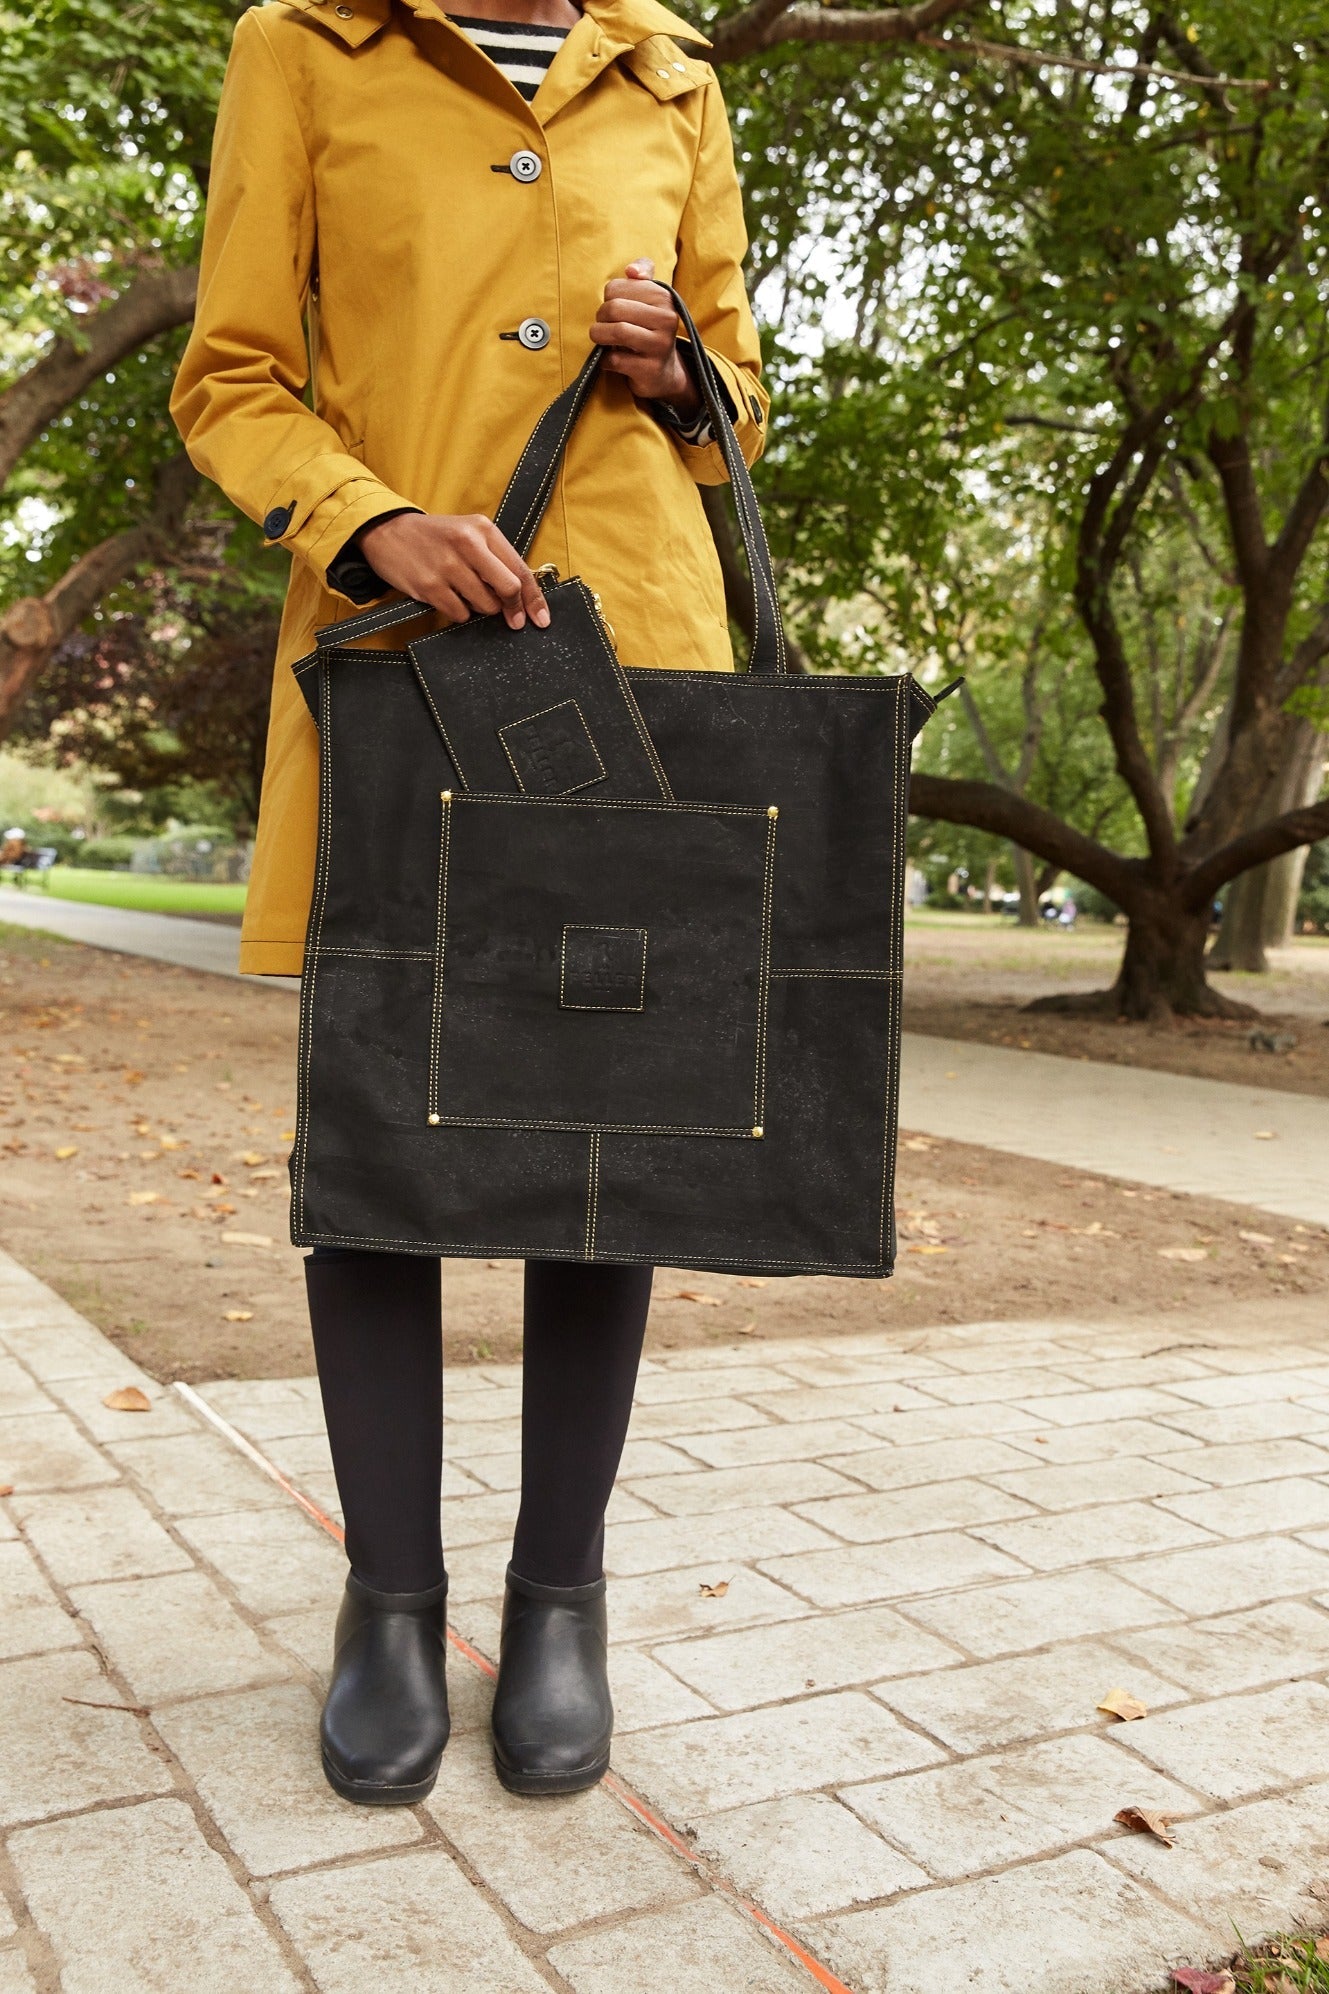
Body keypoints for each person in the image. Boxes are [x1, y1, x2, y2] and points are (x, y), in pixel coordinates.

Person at [171, 0, 767, 1806]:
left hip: (645, 656)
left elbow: (744, 412)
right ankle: (390, 1602)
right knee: (385, 1125)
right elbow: (230, 375)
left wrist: (683, 380)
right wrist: (367, 517)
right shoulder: (306, 44)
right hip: (410, 654)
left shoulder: (674, 77)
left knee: (606, 1135)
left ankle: (560, 1599)